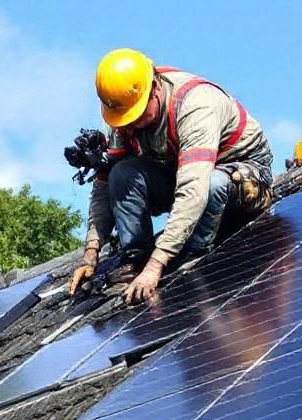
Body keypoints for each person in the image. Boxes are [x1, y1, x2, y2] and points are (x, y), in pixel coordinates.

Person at [70, 49, 273, 302]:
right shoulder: (123, 114)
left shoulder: (197, 104)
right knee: (122, 173)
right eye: (126, 119)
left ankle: (193, 255)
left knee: (213, 184)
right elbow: (104, 183)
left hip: (242, 180)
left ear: (154, 87)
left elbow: (193, 188)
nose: (133, 125)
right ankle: (135, 257)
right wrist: (91, 252)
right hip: (182, 177)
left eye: (139, 115)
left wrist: (158, 265)